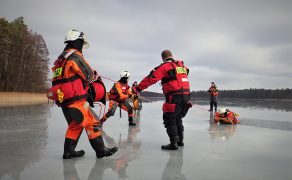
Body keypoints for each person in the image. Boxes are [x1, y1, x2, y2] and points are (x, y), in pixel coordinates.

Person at [49, 29, 118, 159]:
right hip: (76, 100)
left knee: (75, 125)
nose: (82, 46)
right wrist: (94, 74)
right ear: (77, 41)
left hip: (63, 99)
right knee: (94, 122)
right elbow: (88, 75)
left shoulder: (60, 59)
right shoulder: (75, 56)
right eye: (81, 42)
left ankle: (68, 152)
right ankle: (101, 150)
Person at [135, 50, 191, 150]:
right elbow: (185, 73)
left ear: (163, 58)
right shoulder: (182, 67)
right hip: (186, 96)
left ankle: (173, 143)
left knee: (169, 119)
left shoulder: (164, 66)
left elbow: (151, 78)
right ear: (171, 56)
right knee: (178, 117)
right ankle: (180, 141)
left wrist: (138, 88)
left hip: (174, 96)